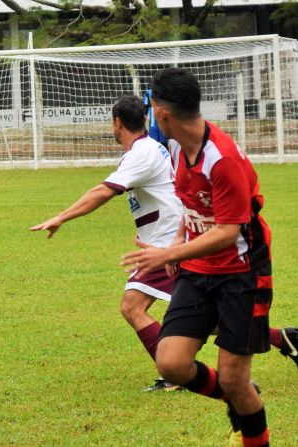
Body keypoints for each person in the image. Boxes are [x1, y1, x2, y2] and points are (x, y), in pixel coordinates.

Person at [121, 68, 298, 446]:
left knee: (233, 379)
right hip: (196, 270)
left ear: (162, 112)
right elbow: (190, 207)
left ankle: (244, 405)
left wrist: (169, 252)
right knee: (172, 363)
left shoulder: (221, 160)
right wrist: (177, 243)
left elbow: (229, 231)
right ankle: (241, 397)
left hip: (242, 273)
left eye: (153, 106)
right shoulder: (175, 147)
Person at [31, 94, 184, 392]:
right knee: (198, 314)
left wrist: (62, 217)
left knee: (133, 307)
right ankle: (277, 336)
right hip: (163, 238)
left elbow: (102, 192)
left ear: (117, 123)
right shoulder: (150, 148)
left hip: (166, 243)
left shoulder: (141, 153)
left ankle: (175, 376)